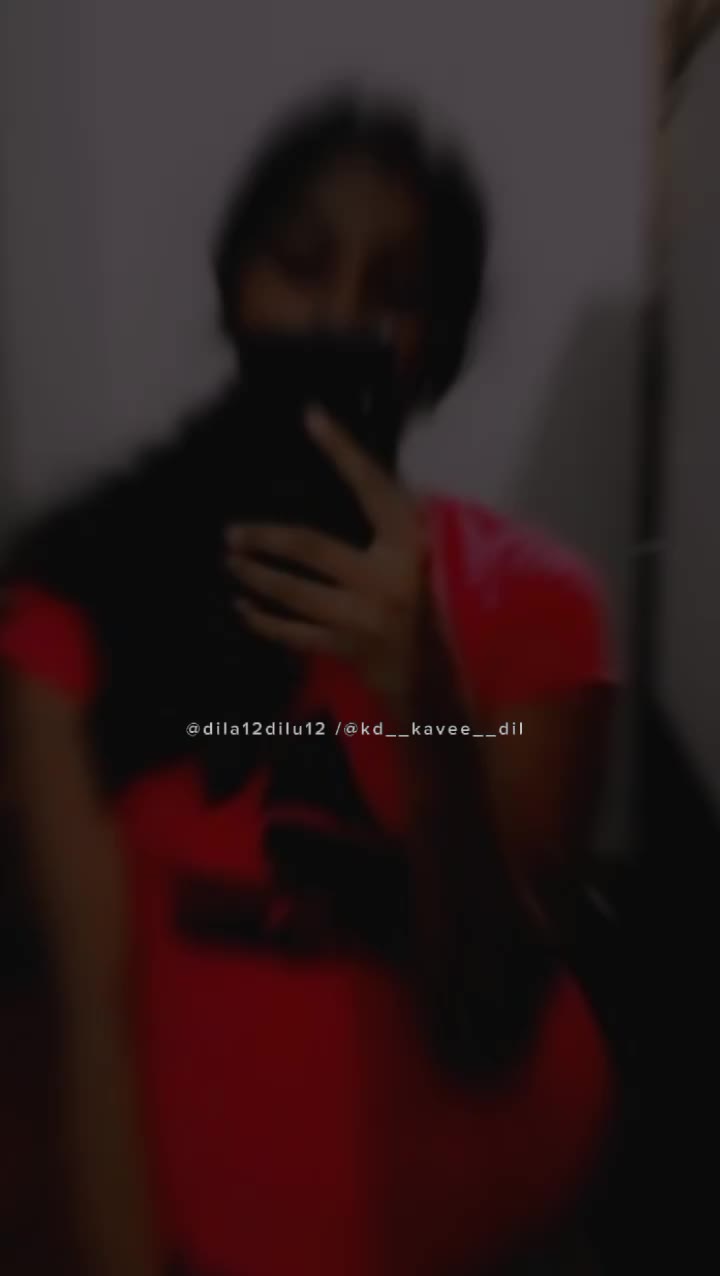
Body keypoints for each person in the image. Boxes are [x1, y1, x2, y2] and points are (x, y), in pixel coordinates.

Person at [0, 90, 618, 1276]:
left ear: (435, 347)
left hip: (505, 1209)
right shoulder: (80, 600)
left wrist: (424, 692)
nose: (337, 315)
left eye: (396, 291)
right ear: (234, 288)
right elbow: (95, 1024)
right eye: (298, 264)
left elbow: (492, 1016)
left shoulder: (536, 599)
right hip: (225, 1223)